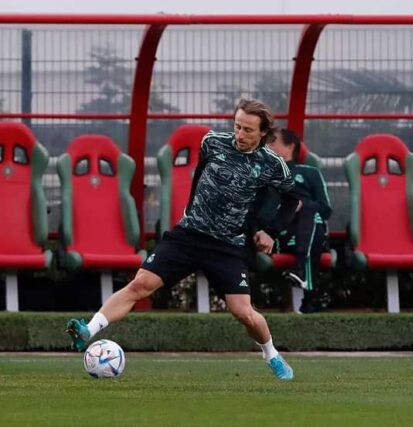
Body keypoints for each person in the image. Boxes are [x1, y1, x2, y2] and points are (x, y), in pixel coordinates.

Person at [66, 99, 299, 380]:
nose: (240, 134)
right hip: (187, 235)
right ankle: (87, 331)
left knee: (244, 313)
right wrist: (191, 212)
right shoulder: (213, 142)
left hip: (226, 246)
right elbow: (199, 177)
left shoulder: (272, 164)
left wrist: (270, 231)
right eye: (237, 126)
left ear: (263, 133)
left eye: (248, 130)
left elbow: (292, 199)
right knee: (140, 284)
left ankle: (271, 355)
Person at [266, 128, 332, 313]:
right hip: (283, 235)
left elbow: (326, 209)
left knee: (310, 213)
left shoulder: (310, 173)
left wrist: (303, 205)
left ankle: (301, 272)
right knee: (313, 228)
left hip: (307, 233)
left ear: (289, 147)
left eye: (273, 142)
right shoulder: (267, 176)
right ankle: (309, 294)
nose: (268, 147)